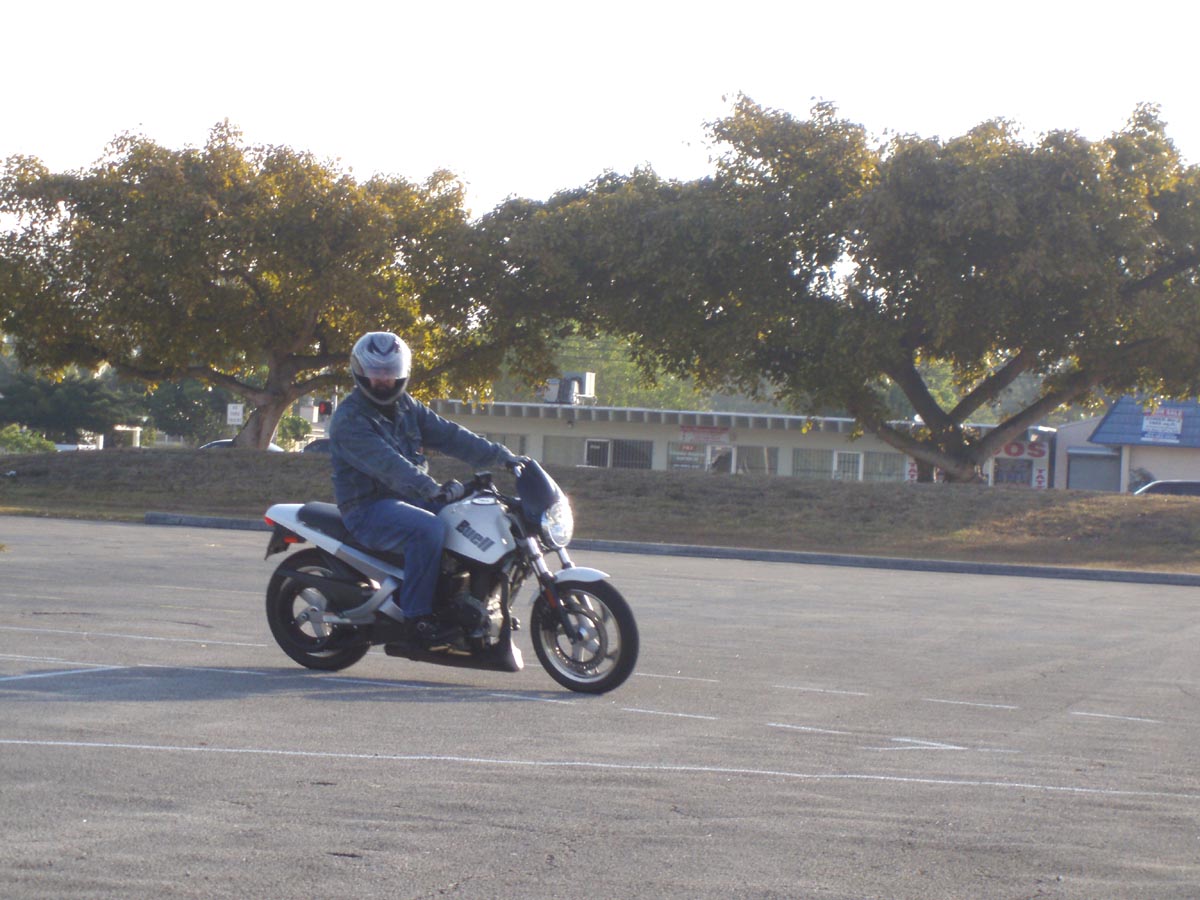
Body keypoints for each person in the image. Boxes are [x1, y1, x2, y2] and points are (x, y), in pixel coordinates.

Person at [328, 332, 524, 645]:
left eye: (390, 372)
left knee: (480, 515)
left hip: (409, 498)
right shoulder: (349, 420)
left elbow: (451, 436)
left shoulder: (407, 407)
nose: (384, 380)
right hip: (368, 508)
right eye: (376, 372)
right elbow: (389, 465)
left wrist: (504, 458)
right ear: (360, 372)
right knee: (427, 529)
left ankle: (469, 604)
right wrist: (430, 489)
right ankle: (417, 618)